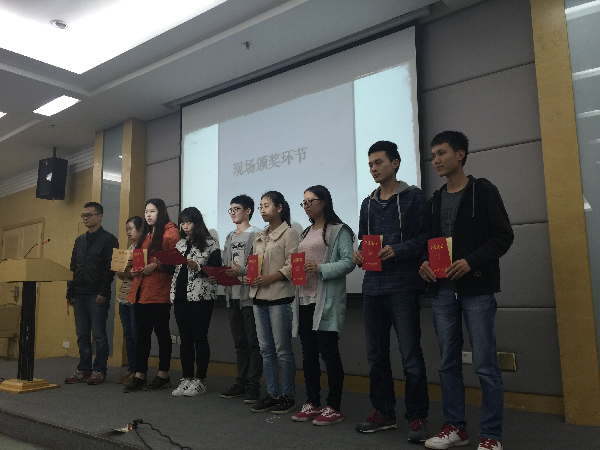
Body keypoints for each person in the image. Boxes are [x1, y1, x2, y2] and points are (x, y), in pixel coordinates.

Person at [420, 131, 513, 450]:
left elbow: (503, 236)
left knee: (485, 365)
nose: (435, 160)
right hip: (443, 291)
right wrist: (424, 264)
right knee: (447, 362)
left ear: (460, 155)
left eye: (441, 153)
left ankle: (491, 435)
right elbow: (429, 243)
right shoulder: (435, 200)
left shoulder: (482, 190)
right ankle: (456, 427)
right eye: (433, 155)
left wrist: (471, 262)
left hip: (477, 290)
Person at [352, 141, 430, 442]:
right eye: (370, 164)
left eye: (379, 163)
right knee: (375, 355)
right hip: (372, 286)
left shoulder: (413, 197)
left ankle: (417, 417)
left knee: (410, 355)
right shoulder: (367, 203)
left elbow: (425, 238)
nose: (373, 169)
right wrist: (360, 254)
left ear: (395, 163)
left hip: (403, 285)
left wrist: (398, 250)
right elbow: (365, 241)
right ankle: (384, 412)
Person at [290, 185, 355, 426]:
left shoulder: (339, 230)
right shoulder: (306, 231)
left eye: (311, 201)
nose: (306, 206)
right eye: (304, 202)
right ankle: (312, 402)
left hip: (325, 299)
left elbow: (348, 262)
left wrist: (320, 268)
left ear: (324, 201)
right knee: (308, 355)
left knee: (329, 353)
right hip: (304, 298)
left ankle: (334, 406)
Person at [243, 191, 299, 414]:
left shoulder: (290, 233)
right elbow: (254, 264)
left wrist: (270, 278)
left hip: (279, 296)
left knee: (282, 350)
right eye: (261, 206)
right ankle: (272, 393)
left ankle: (287, 395)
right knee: (266, 350)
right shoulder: (259, 236)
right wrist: (249, 277)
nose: (263, 210)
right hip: (259, 297)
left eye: (267, 205)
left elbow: (292, 266)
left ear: (279, 208)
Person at [123, 199, 180, 393]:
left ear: (161, 211)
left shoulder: (171, 233)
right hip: (141, 291)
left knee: (162, 334)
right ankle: (140, 374)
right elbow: (140, 259)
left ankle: (163, 375)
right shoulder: (147, 234)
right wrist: (134, 269)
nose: (148, 215)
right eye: (146, 211)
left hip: (159, 292)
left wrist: (156, 265)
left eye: (152, 211)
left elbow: (176, 262)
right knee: (142, 335)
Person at [215, 195, 263, 404]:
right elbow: (226, 265)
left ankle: (253, 385)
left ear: (248, 211)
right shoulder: (229, 237)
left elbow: (259, 265)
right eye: (231, 209)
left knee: (253, 343)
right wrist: (218, 275)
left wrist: (240, 272)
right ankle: (241, 382)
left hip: (249, 296)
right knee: (239, 343)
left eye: (237, 209)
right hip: (232, 297)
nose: (233, 212)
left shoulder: (257, 234)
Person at [65, 202, 119, 385]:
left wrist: (103, 292)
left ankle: (99, 370)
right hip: (78, 293)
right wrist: (70, 291)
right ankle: (84, 369)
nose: (85, 218)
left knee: (99, 335)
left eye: (89, 215)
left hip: (97, 293)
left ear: (100, 216)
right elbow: (73, 267)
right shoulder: (79, 240)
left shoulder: (109, 239)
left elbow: (109, 270)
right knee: (82, 334)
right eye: (83, 215)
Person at [170, 207, 222, 397]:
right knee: (185, 338)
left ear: (197, 223)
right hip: (180, 296)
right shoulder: (181, 244)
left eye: (189, 222)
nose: (185, 226)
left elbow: (216, 269)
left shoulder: (210, 243)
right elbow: (175, 270)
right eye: (182, 223)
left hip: (201, 297)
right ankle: (187, 378)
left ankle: (200, 380)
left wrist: (199, 267)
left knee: (199, 337)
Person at [115, 216, 144, 384]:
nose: (128, 232)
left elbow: (138, 273)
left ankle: (138, 370)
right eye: (127, 229)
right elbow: (124, 275)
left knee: (135, 335)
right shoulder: (130, 248)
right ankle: (131, 369)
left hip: (135, 297)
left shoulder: (143, 248)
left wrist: (125, 272)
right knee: (127, 334)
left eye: (131, 229)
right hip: (123, 296)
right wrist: (120, 272)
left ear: (140, 229)